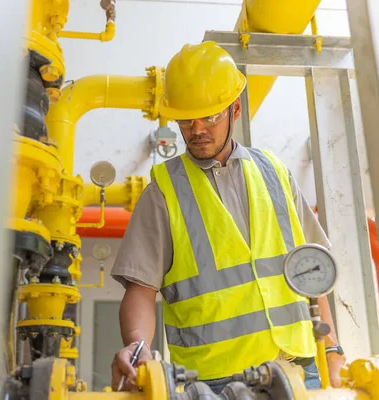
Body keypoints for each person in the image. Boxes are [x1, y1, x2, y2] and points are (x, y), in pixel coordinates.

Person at [109, 41, 346, 394]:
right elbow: (141, 291)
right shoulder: (163, 192)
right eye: (186, 120)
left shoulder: (275, 172)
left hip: (299, 368)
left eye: (210, 116)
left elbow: (310, 271)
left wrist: (332, 352)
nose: (197, 129)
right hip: (213, 383)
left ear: (235, 109)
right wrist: (137, 345)